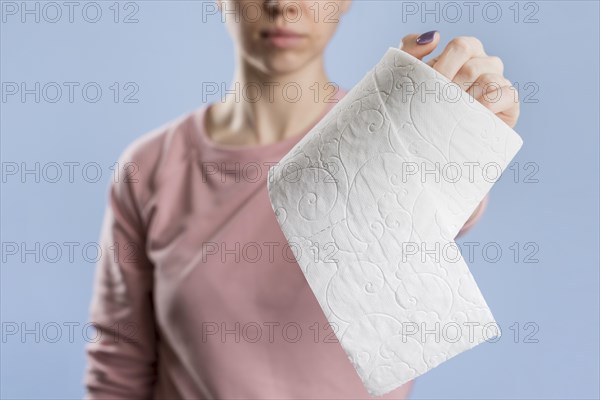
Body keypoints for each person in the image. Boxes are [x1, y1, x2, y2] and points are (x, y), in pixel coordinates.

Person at [84, 0, 520, 398]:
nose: (283, 4)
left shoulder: (396, 139)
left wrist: (462, 128)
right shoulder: (149, 167)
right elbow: (119, 365)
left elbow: (445, 210)